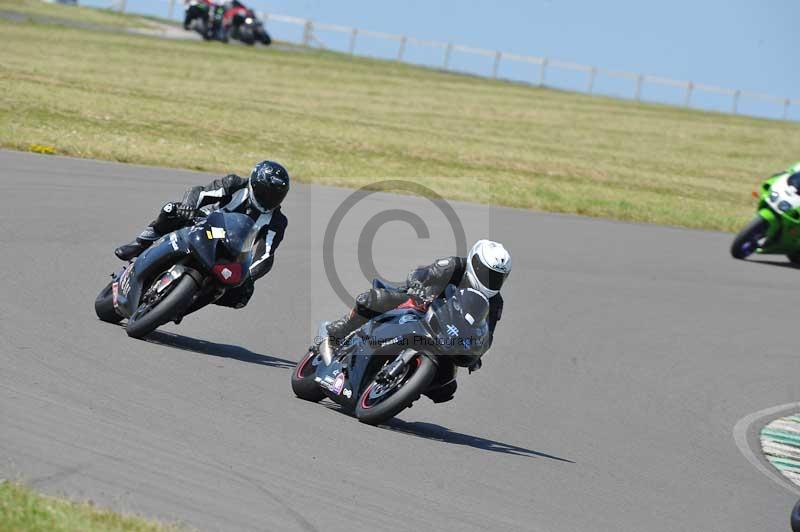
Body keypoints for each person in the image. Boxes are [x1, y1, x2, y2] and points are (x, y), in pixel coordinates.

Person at [325, 240, 511, 399]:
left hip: (446, 335)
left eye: (497, 276)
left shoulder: (495, 302)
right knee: (374, 299)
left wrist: (477, 352)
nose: (491, 280)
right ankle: (339, 332)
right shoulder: (453, 266)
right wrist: (420, 287)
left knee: (446, 387)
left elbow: (488, 333)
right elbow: (419, 275)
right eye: (487, 273)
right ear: (474, 263)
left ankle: (401, 387)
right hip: (420, 307)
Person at [114, 160, 289, 309]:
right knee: (171, 210)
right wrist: (188, 206)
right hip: (207, 227)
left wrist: (250, 276)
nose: (269, 199)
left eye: (275, 196)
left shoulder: (277, 221)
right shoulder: (235, 184)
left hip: (232, 253)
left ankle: (186, 303)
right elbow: (201, 192)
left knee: (242, 296)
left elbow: (266, 253)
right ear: (254, 184)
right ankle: (140, 243)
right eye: (265, 193)